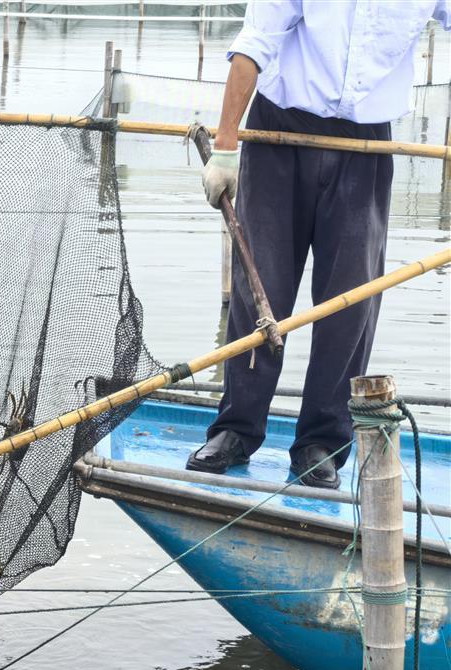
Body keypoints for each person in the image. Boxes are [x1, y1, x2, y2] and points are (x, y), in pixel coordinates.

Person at [187, 0, 451, 489]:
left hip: (365, 145)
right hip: (279, 131)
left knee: (350, 301)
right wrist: (225, 148)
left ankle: (321, 443)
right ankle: (237, 428)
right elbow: (253, 43)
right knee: (259, 286)